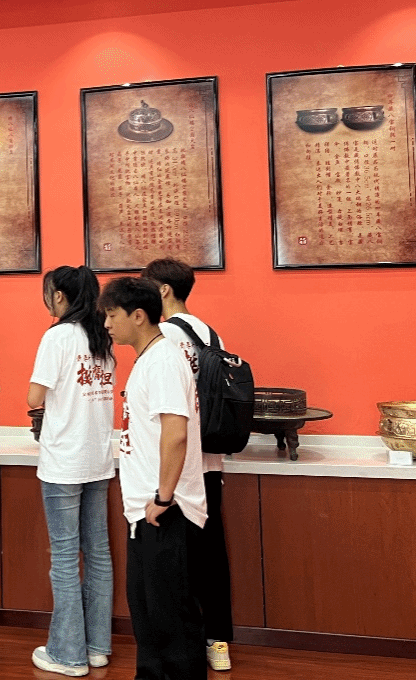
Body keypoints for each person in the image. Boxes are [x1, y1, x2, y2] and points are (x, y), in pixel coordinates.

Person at [98, 277, 207, 680]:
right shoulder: (150, 358)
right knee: (148, 615)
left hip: (167, 510)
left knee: (171, 618)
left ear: (138, 316)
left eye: (112, 315)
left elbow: (176, 433)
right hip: (146, 510)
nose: (107, 324)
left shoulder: (163, 361)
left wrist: (163, 497)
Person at [143, 257, 234, 672]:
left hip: (180, 466)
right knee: (212, 551)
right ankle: (218, 642)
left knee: (178, 559)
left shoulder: (163, 336)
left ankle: (186, 645)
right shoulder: (209, 332)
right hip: (211, 459)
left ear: (162, 290)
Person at [27, 266, 115, 676]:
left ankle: (67, 654)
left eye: (48, 292)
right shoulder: (102, 336)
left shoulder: (58, 336)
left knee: (64, 557)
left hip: (63, 461)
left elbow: (34, 396)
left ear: (60, 296)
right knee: (98, 553)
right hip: (98, 458)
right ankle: (96, 647)